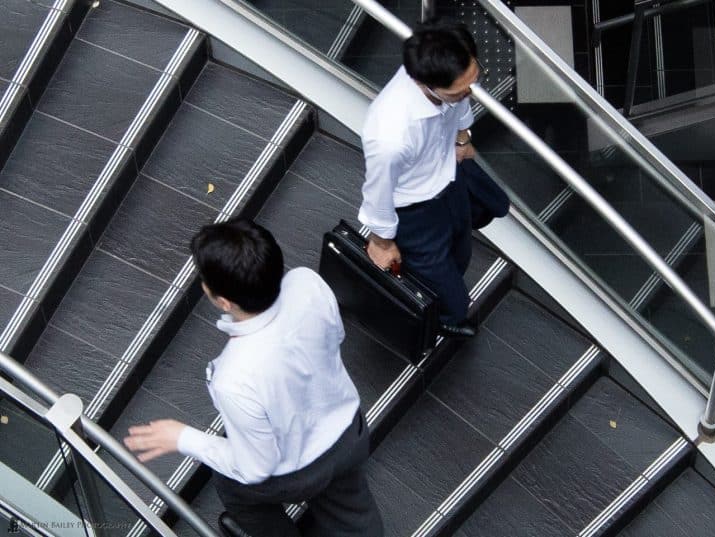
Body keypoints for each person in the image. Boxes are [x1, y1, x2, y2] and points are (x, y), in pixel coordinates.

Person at [124, 219, 383, 537]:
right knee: (350, 508)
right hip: (351, 436)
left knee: (232, 485)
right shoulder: (307, 284)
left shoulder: (234, 376)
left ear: (223, 301)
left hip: (299, 473)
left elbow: (255, 467)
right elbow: (335, 337)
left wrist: (183, 438)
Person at [359, 18, 496, 338]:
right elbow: (378, 193)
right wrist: (382, 242)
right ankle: (445, 317)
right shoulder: (390, 134)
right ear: (424, 84)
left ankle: (440, 292)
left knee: (460, 253)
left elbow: (460, 108)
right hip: (416, 210)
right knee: (454, 298)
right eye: (460, 91)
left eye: (472, 81)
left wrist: (462, 139)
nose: (469, 93)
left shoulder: (448, 86)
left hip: (448, 180)